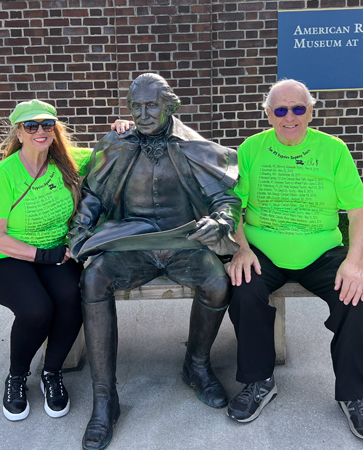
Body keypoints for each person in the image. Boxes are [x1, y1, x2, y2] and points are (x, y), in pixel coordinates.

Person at [68, 73, 241, 450]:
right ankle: (104, 399)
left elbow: (225, 201)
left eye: (152, 105)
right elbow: (94, 196)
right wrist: (80, 231)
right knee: (94, 279)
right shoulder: (116, 144)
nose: (143, 114)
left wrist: (220, 222)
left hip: (184, 243)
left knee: (216, 283)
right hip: (133, 245)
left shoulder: (193, 146)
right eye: (136, 106)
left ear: (170, 106)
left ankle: (195, 365)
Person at [225, 79, 363, 440]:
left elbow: (361, 211)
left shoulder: (333, 150)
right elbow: (234, 208)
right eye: (280, 110)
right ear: (268, 115)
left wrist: (354, 262)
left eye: (298, 108)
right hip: (262, 250)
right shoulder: (251, 149)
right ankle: (258, 381)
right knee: (243, 289)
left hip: (321, 251)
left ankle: (355, 395)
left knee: (353, 298)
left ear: (311, 111)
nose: (290, 117)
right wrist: (242, 248)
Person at [0, 99, 93, 421]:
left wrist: (122, 127)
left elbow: (112, 151)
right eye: (31, 126)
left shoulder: (69, 161)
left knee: (74, 298)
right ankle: (17, 377)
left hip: (55, 254)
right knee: (36, 309)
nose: (40, 131)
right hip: (6, 256)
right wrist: (42, 254)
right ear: (19, 132)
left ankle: (52, 373)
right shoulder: (6, 174)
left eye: (47, 124)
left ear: (55, 129)